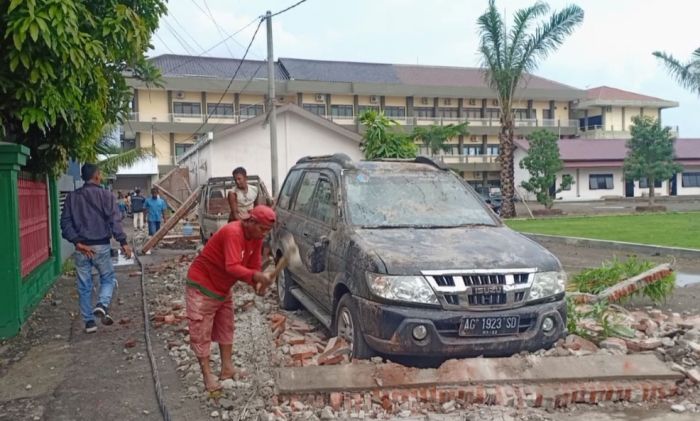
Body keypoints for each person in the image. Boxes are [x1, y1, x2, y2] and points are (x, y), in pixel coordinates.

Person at [186, 206, 275, 392]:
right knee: (201, 330)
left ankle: (227, 368)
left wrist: (257, 285)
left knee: (226, 325)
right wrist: (257, 277)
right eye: (262, 229)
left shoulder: (256, 237)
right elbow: (232, 267)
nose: (264, 234)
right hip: (203, 284)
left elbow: (253, 266)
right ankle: (207, 374)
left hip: (222, 287)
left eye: (267, 231)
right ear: (251, 222)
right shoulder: (233, 232)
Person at [60, 163, 133, 334]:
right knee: (107, 278)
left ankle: (89, 323)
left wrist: (77, 242)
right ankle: (102, 303)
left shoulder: (72, 197)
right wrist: (123, 242)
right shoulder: (106, 196)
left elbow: (65, 223)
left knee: (84, 285)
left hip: (81, 248)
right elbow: (115, 221)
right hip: (101, 245)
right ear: (97, 176)